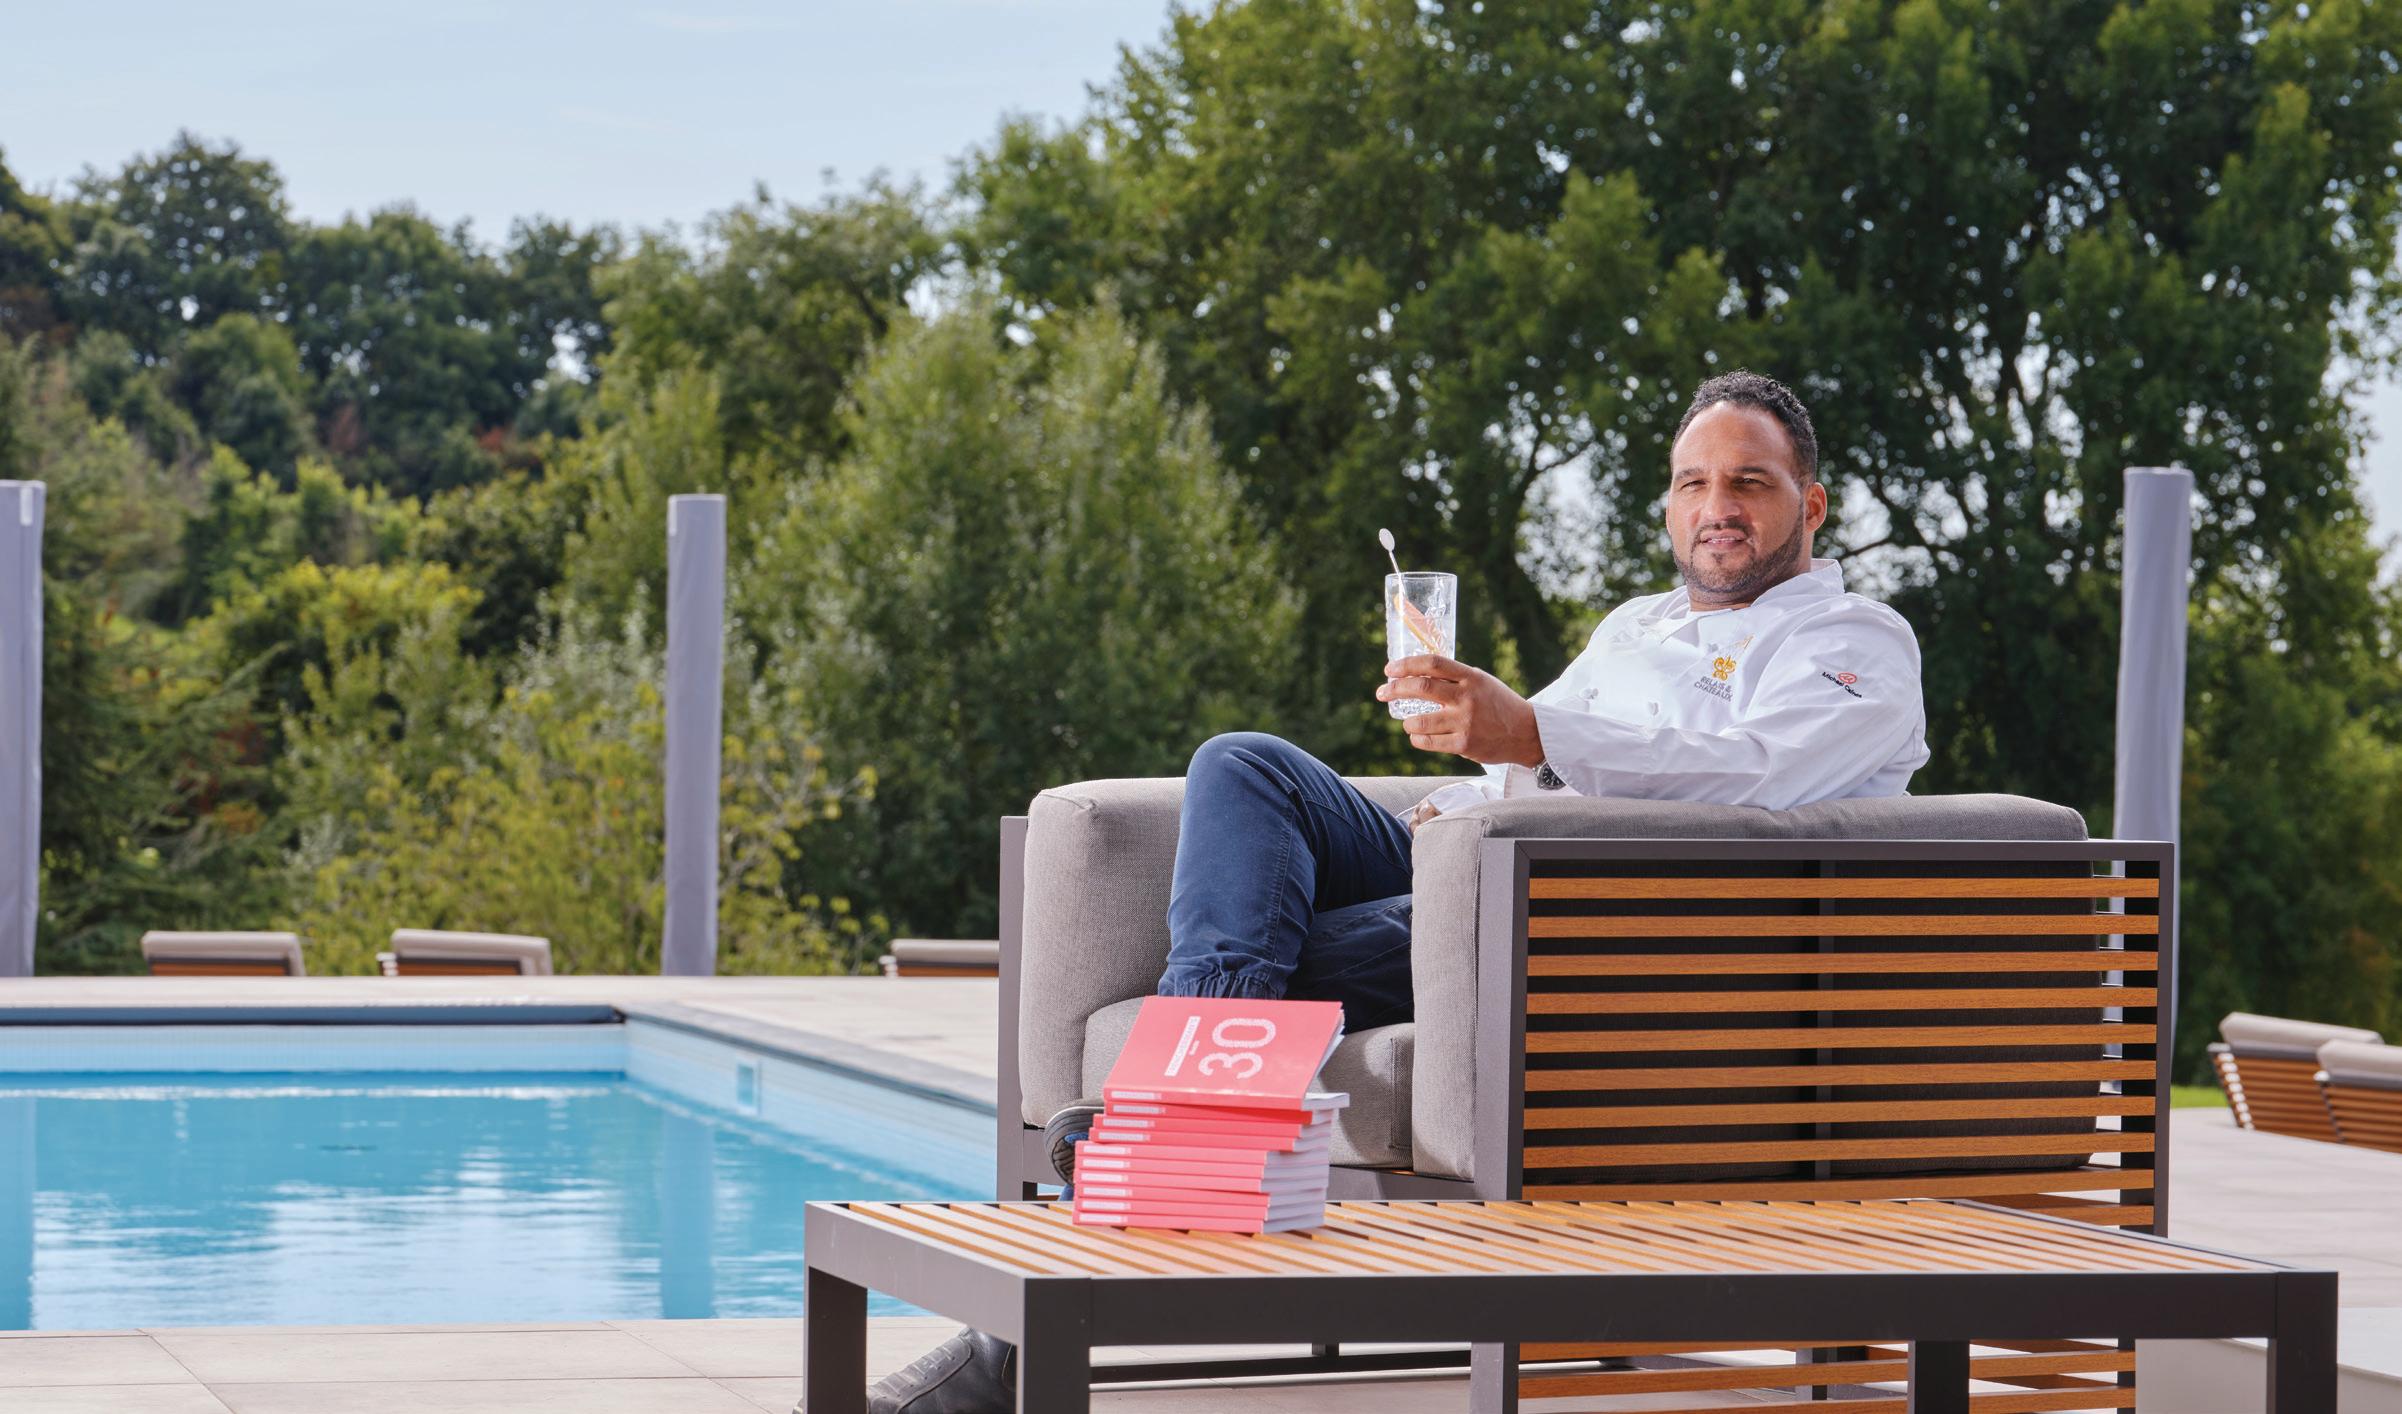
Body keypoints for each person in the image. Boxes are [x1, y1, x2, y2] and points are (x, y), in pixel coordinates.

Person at [859, 369, 1930, 1413]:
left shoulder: (1854, 642)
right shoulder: (1634, 626)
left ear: (1809, 505)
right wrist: (1458, 795)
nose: (1715, 507)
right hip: (1475, 871)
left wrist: (1528, 732)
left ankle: (1118, 1189)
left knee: (1232, 980)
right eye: (1693, 482)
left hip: (1590, 925)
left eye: (1748, 483)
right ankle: (1188, 1096)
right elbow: (1525, 767)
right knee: (1244, 764)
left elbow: (1755, 776)